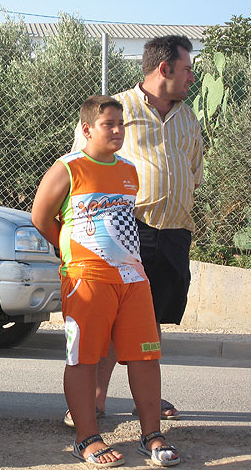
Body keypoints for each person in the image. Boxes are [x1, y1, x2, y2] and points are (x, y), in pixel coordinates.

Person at [32, 95, 180, 467]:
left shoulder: (129, 170)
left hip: (133, 279)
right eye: (108, 124)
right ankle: (87, 438)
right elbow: (41, 218)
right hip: (86, 279)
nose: (117, 131)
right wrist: (71, 250)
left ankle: (152, 435)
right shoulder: (68, 168)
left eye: (121, 124)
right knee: (83, 359)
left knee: (146, 356)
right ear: (87, 129)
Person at [64, 35, 203, 426]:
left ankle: (147, 399)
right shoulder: (116, 110)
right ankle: (93, 401)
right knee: (110, 317)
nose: (192, 77)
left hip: (174, 231)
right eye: (187, 68)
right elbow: (83, 165)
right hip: (125, 230)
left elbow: (194, 170)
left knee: (151, 316)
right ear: (164, 68)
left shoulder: (188, 117)